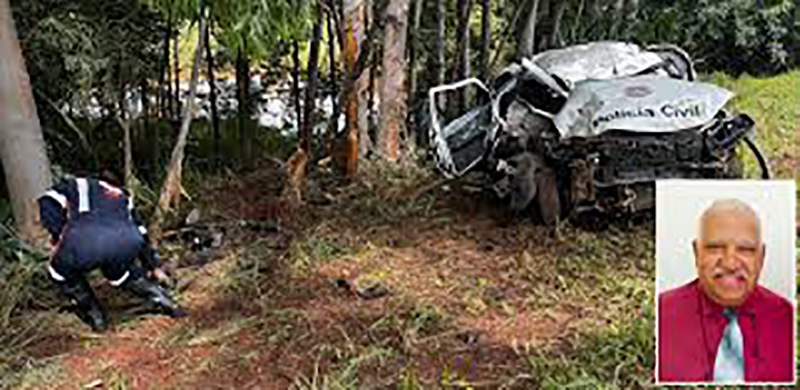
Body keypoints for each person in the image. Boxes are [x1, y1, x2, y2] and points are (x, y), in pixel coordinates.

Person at [658, 199, 793, 383]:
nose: (730, 264)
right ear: (697, 253)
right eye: (715, 248)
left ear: (761, 258)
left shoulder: (786, 317)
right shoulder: (661, 313)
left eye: (745, 250)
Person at [38, 170, 186, 332]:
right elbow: (141, 231)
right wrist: (153, 265)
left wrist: (59, 233)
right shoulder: (123, 196)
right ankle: (163, 299)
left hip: (85, 240)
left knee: (59, 271)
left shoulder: (76, 184)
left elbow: (47, 201)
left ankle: (95, 317)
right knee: (120, 274)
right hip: (127, 240)